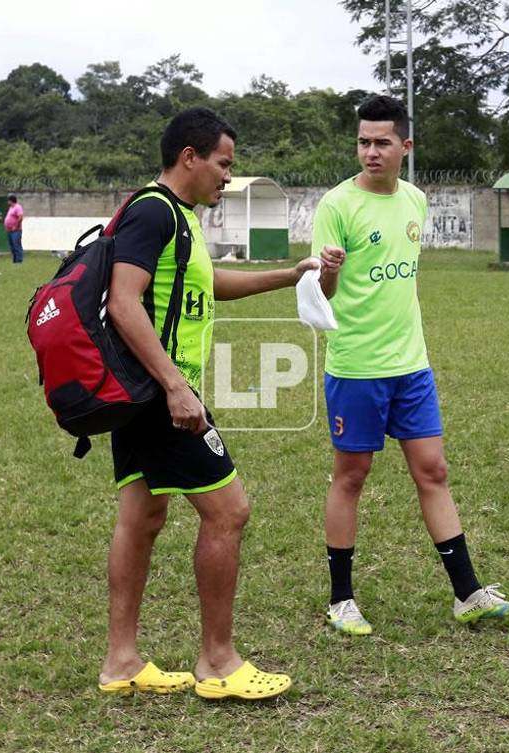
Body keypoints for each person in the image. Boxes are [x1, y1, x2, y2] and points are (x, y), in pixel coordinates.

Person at [99, 107, 317, 700]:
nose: (228, 176)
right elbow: (124, 302)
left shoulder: (178, 218)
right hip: (160, 395)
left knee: (141, 518)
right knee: (229, 511)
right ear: (189, 157)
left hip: (145, 393)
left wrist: (290, 275)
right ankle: (218, 662)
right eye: (223, 164)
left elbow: (208, 284)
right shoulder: (154, 212)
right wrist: (174, 386)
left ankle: (122, 663)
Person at [312, 94, 509, 637]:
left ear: (405, 147)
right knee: (351, 477)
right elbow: (320, 294)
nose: (371, 152)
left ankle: (468, 594)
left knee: (433, 471)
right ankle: (341, 600)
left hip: (412, 366)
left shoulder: (414, 199)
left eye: (383, 142)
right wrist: (330, 269)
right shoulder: (336, 206)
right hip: (356, 366)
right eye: (363, 142)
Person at [5, 193, 25, 264]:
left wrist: (16, 226)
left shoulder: (17, 207)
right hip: (10, 230)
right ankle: (15, 260)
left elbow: (20, 217)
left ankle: (19, 260)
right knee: (12, 246)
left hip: (16, 230)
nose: (7, 202)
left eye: (8, 200)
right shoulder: (11, 208)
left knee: (16, 245)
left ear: (11, 200)